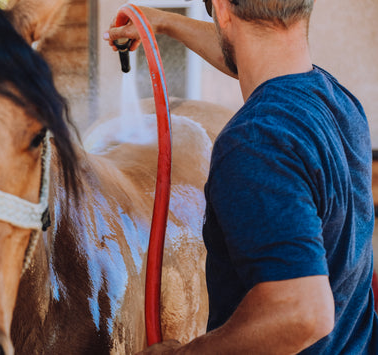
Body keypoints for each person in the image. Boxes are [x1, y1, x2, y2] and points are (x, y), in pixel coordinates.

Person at [104, 0, 378, 353]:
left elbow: (302, 314)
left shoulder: (256, 141)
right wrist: (163, 22)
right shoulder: (336, 99)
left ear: (221, 10)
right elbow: (253, 53)